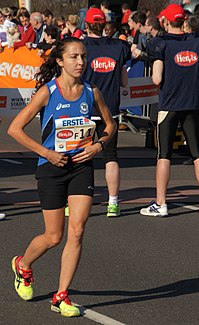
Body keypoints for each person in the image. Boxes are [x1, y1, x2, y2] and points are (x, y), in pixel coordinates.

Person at [8, 37, 116, 317]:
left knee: (78, 230)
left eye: (83, 57)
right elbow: (15, 129)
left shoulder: (91, 92)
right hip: (51, 167)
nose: (81, 62)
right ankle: (23, 264)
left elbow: (110, 124)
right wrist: (47, 152)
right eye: (74, 57)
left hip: (81, 166)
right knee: (54, 236)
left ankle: (61, 296)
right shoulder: (48, 92)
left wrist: (97, 146)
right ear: (60, 61)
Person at [140, 4, 199, 218]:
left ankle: (161, 203)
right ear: (184, 20)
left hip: (169, 105)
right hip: (192, 105)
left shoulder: (160, 43)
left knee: (164, 155)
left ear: (165, 21)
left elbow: (156, 79)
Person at [83, 8, 130, 217]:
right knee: (111, 156)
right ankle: (113, 203)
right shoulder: (120, 46)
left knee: (80, 157)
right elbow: (124, 81)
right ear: (105, 25)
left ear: (85, 25)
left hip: (84, 107)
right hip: (110, 109)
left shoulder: (79, 46)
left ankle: (77, 202)